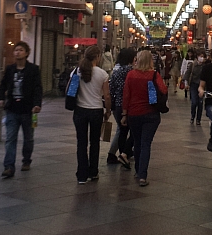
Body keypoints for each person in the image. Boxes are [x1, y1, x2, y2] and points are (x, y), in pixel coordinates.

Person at [122, 49, 167, 186]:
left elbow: (126, 95)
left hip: (134, 114)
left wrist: (124, 114)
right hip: (151, 114)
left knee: (137, 142)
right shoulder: (154, 75)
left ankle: (138, 171)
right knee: (146, 143)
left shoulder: (131, 75)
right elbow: (164, 90)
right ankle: (142, 176)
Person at [0, 41, 42, 178]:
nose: (17, 52)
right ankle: (9, 166)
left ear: (27, 53)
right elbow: (3, 85)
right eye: (16, 50)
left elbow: (37, 88)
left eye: (21, 50)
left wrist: (37, 104)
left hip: (28, 110)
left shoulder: (33, 69)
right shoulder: (10, 69)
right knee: (10, 138)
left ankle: (26, 160)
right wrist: (1, 98)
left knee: (28, 138)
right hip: (12, 109)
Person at [72, 45, 111, 184]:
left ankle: (81, 175)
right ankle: (93, 172)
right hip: (96, 111)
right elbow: (106, 95)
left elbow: (70, 90)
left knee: (81, 143)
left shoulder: (77, 71)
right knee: (94, 142)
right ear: (97, 57)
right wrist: (108, 111)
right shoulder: (102, 74)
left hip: (80, 110)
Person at [107, 47, 136, 167]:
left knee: (122, 130)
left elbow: (111, 89)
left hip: (117, 105)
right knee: (133, 131)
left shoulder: (116, 72)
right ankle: (122, 153)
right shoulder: (133, 72)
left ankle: (122, 153)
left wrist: (110, 106)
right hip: (129, 105)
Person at [185, 50, 206, 124]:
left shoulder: (205, 66)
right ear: (197, 57)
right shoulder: (193, 64)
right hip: (193, 85)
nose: (201, 58)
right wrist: (186, 83)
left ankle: (198, 119)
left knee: (200, 103)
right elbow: (187, 73)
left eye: (203, 56)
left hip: (202, 86)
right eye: (200, 56)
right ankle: (192, 116)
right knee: (194, 102)